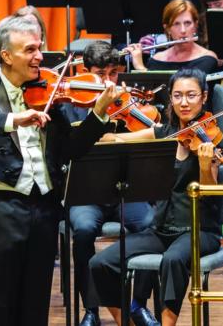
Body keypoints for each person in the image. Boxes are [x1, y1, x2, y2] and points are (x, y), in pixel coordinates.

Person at [0, 16, 119, 325]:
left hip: (44, 208)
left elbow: (71, 149)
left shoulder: (49, 92)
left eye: (39, 48)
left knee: (36, 300)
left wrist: (98, 113)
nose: (39, 57)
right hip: (2, 210)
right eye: (30, 50)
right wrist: (13, 120)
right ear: (6, 56)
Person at [90, 68, 223, 326]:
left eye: (191, 95)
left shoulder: (210, 139)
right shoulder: (163, 134)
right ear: (170, 99)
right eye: (177, 95)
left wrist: (206, 166)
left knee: (173, 260)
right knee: (100, 262)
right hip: (160, 230)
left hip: (199, 229)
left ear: (204, 97)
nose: (184, 102)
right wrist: (103, 118)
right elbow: (116, 139)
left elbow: (211, 194)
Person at [64, 41, 154, 326]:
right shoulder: (70, 107)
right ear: (84, 71)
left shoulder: (127, 103)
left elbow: (152, 134)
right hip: (86, 193)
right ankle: (91, 310)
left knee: (151, 224)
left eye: (113, 73)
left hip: (124, 189)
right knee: (83, 230)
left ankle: (138, 303)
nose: (107, 81)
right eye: (100, 73)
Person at [126, 0, 219, 74]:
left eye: (187, 23)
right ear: (168, 29)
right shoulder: (156, 60)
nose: (183, 30)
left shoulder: (207, 58)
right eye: (176, 24)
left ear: (195, 25)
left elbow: (185, 88)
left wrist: (140, 67)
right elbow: (150, 95)